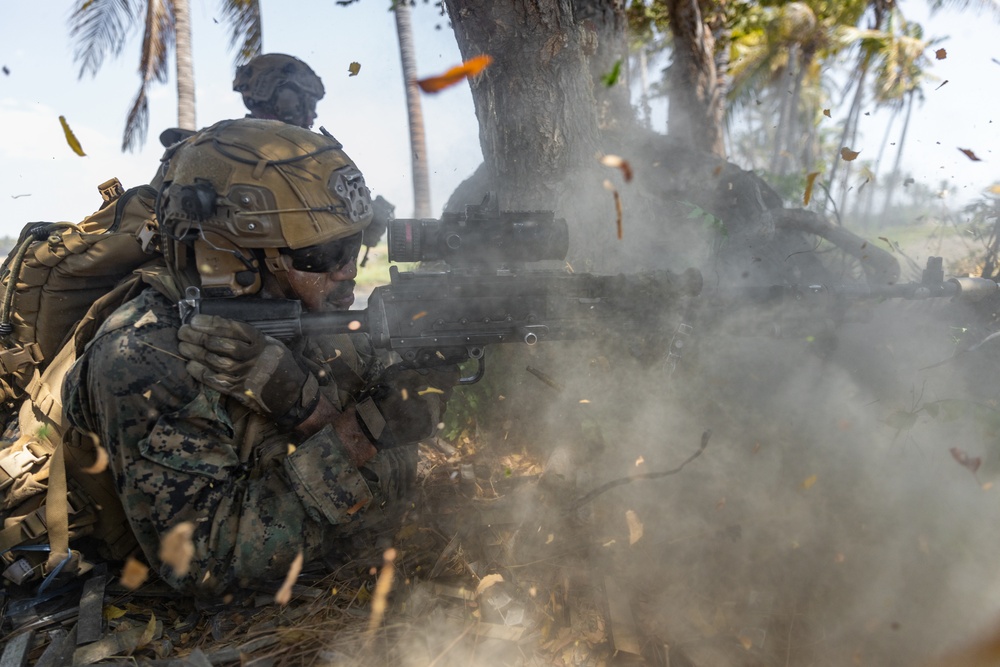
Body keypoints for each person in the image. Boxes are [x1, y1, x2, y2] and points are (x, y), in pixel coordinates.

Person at [64, 118, 453, 594]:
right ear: (232, 254)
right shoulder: (143, 353)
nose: (348, 270)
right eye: (325, 253)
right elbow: (204, 562)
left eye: (356, 242)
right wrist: (361, 432)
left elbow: (391, 461)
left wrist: (402, 394)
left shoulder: (312, 313)